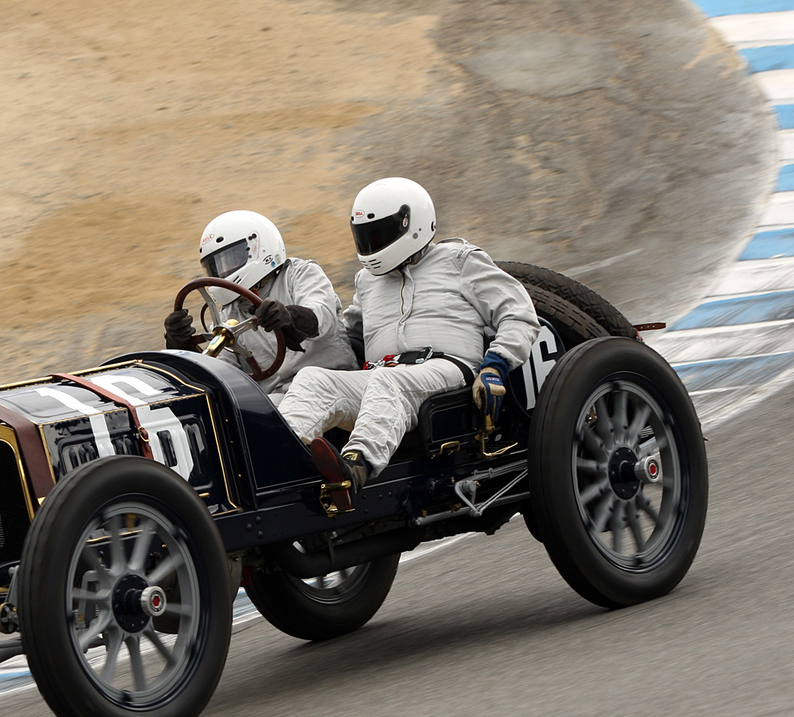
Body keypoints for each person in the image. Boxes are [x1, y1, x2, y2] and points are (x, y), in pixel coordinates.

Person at [277, 178, 540, 496]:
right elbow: (351, 339)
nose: (371, 247)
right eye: (364, 238)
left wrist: (495, 365)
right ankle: (281, 466)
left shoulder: (459, 260)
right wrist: (299, 326)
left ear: (410, 223)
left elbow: (519, 313)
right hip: (381, 377)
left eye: (378, 236)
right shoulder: (366, 281)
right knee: (312, 380)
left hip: (447, 369)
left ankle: (355, 466)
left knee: (388, 383)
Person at [163, 210, 355, 397]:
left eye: (231, 259)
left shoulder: (300, 274)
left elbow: (322, 317)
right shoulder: (228, 316)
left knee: (292, 401)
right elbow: (218, 373)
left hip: (332, 382)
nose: (224, 270)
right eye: (217, 265)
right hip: (279, 398)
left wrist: (290, 317)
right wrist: (181, 346)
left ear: (259, 247)